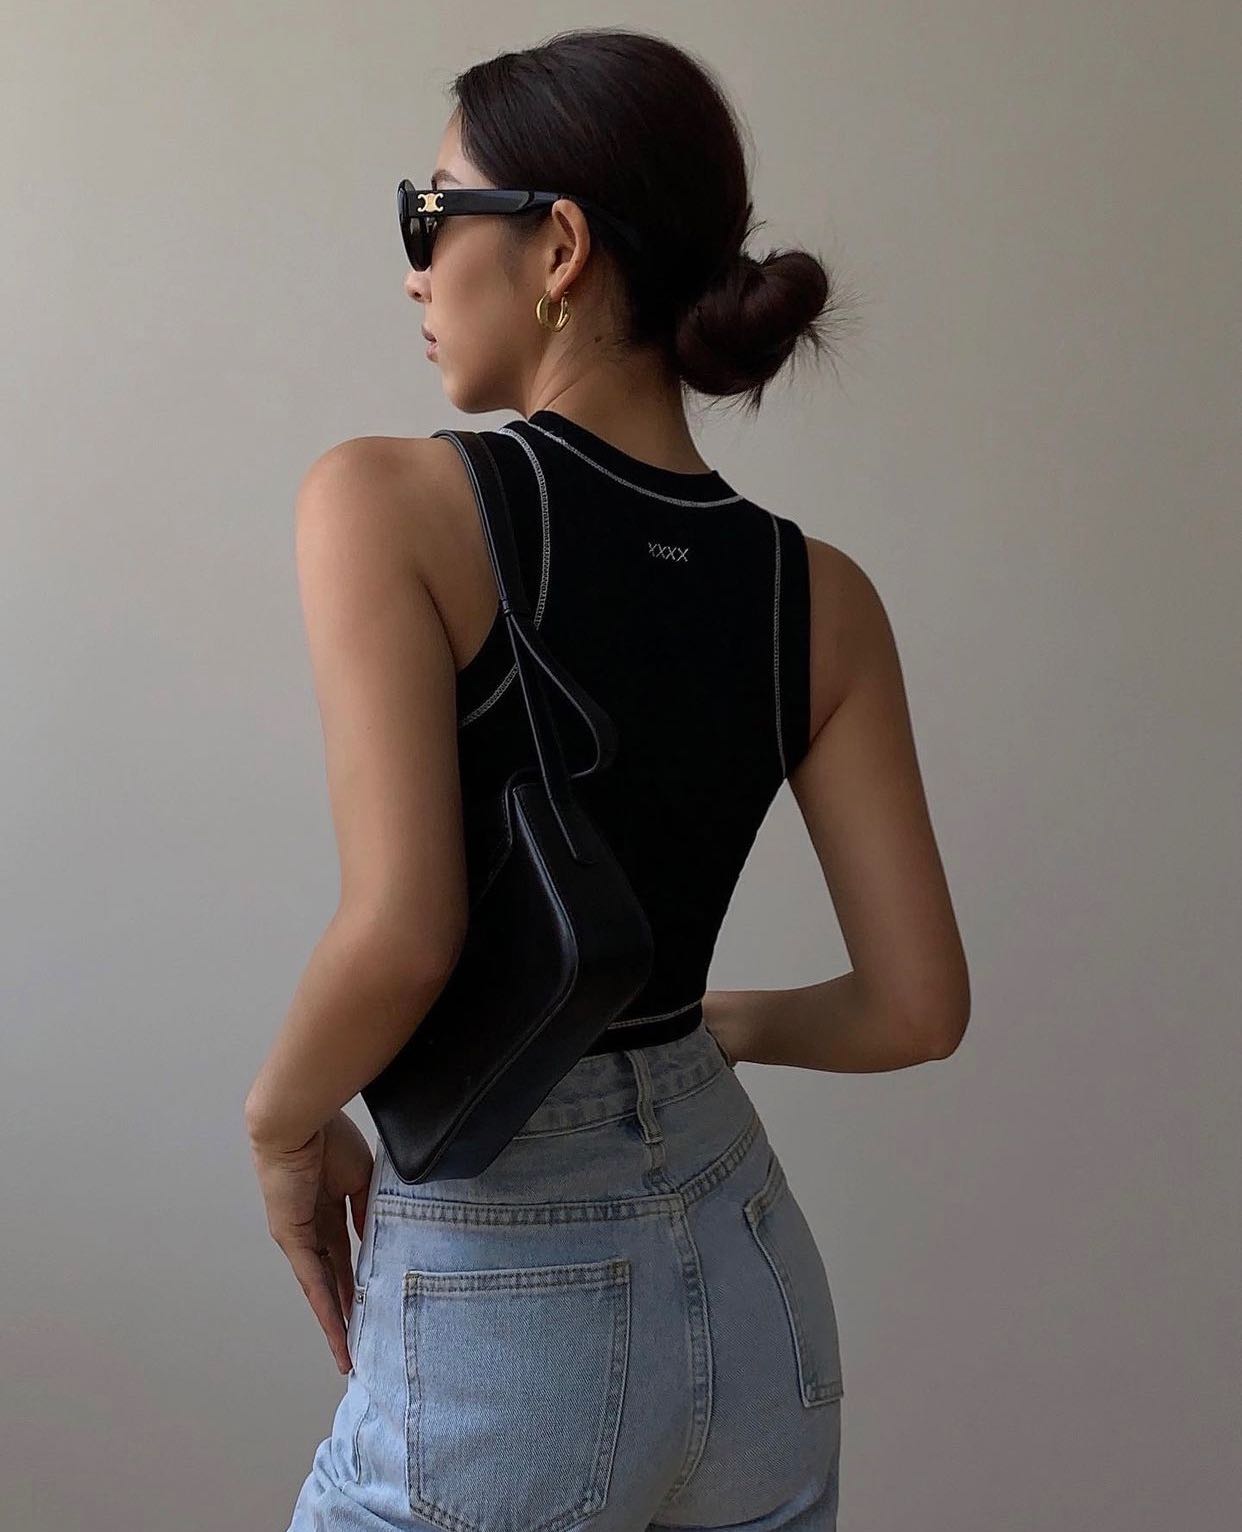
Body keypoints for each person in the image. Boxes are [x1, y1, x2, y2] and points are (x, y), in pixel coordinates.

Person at [244, 25, 970, 1532]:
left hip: (515, 1291)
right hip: (755, 1289)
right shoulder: (820, 595)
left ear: (558, 246)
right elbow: (917, 1007)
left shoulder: (387, 502)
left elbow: (404, 935)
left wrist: (281, 1129)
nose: (414, 269)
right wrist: (705, 1029)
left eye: (431, 214)